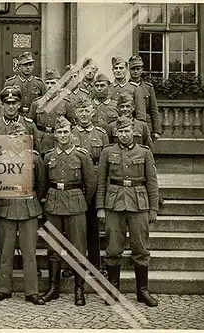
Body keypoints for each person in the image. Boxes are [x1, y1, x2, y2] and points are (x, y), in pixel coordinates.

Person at [96, 115, 159, 307]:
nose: (123, 135)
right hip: (114, 204)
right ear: (116, 133)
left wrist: (153, 208)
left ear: (134, 132)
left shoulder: (145, 152)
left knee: (140, 248)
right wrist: (100, 207)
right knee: (113, 248)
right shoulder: (108, 152)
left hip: (139, 204)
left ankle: (142, 291)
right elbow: (101, 182)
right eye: (120, 132)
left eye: (127, 131)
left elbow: (152, 182)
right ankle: (113, 290)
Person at [0, 87, 41, 275]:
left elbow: (36, 153)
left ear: (19, 104)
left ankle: (31, 268)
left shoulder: (29, 125)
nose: (10, 106)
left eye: (14, 103)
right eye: (7, 103)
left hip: (24, 191)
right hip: (2, 186)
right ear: (2, 105)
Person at [41, 116, 96, 306]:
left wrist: (80, 200)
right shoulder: (49, 156)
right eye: (59, 132)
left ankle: (79, 290)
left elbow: (90, 184)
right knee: (53, 247)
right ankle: (53, 288)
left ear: (71, 133)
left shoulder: (82, 155)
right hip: (54, 202)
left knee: (78, 247)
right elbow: (44, 182)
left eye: (66, 132)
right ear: (55, 135)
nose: (63, 135)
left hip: (75, 203)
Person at [0, 122, 46, 305]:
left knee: (29, 252)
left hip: (28, 208)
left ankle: (32, 291)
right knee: (5, 251)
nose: (17, 140)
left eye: (21, 136)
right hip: (7, 208)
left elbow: (41, 185)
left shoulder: (35, 159)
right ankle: (4, 288)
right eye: (13, 137)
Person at [71, 96, 109, 276]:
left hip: (94, 185)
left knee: (93, 227)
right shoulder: (70, 133)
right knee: (74, 228)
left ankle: (95, 264)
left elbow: (106, 161)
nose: (84, 114)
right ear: (75, 113)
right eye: (80, 111)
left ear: (93, 112)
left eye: (87, 110)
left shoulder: (101, 134)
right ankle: (74, 265)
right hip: (76, 187)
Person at [29, 69, 75, 154]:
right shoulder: (37, 103)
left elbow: (72, 124)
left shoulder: (66, 103)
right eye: (47, 83)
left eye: (53, 83)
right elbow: (31, 124)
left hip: (59, 140)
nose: (49, 86)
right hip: (41, 141)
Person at [127, 55, 162, 141]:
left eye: (138, 69)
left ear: (142, 70)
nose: (135, 71)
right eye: (133, 69)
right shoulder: (125, 87)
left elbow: (153, 109)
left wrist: (156, 130)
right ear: (129, 69)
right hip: (127, 125)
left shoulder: (148, 88)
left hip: (145, 125)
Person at [3, 51, 47, 116]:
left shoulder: (39, 83)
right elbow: (4, 103)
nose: (28, 67)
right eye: (25, 65)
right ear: (19, 66)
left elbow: (45, 103)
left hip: (35, 117)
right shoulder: (11, 83)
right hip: (16, 116)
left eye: (30, 64)